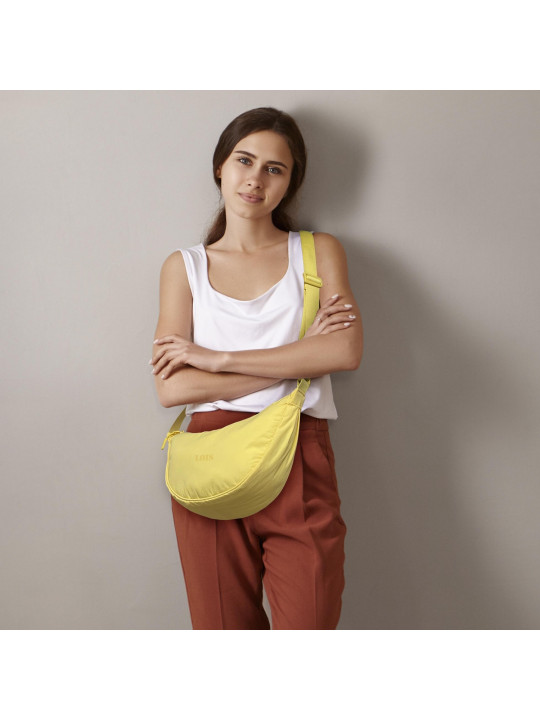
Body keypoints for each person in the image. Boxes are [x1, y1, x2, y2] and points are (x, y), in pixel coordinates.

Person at [151, 107, 363, 630]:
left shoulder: (317, 252)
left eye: (275, 168)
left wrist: (218, 359)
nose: (255, 179)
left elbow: (343, 351)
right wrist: (298, 357)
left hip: (300, 454)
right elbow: (172, 387)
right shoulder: (185, 268)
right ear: (220, 167)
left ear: (290, 183)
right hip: (209, 459)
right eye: (244, 160)